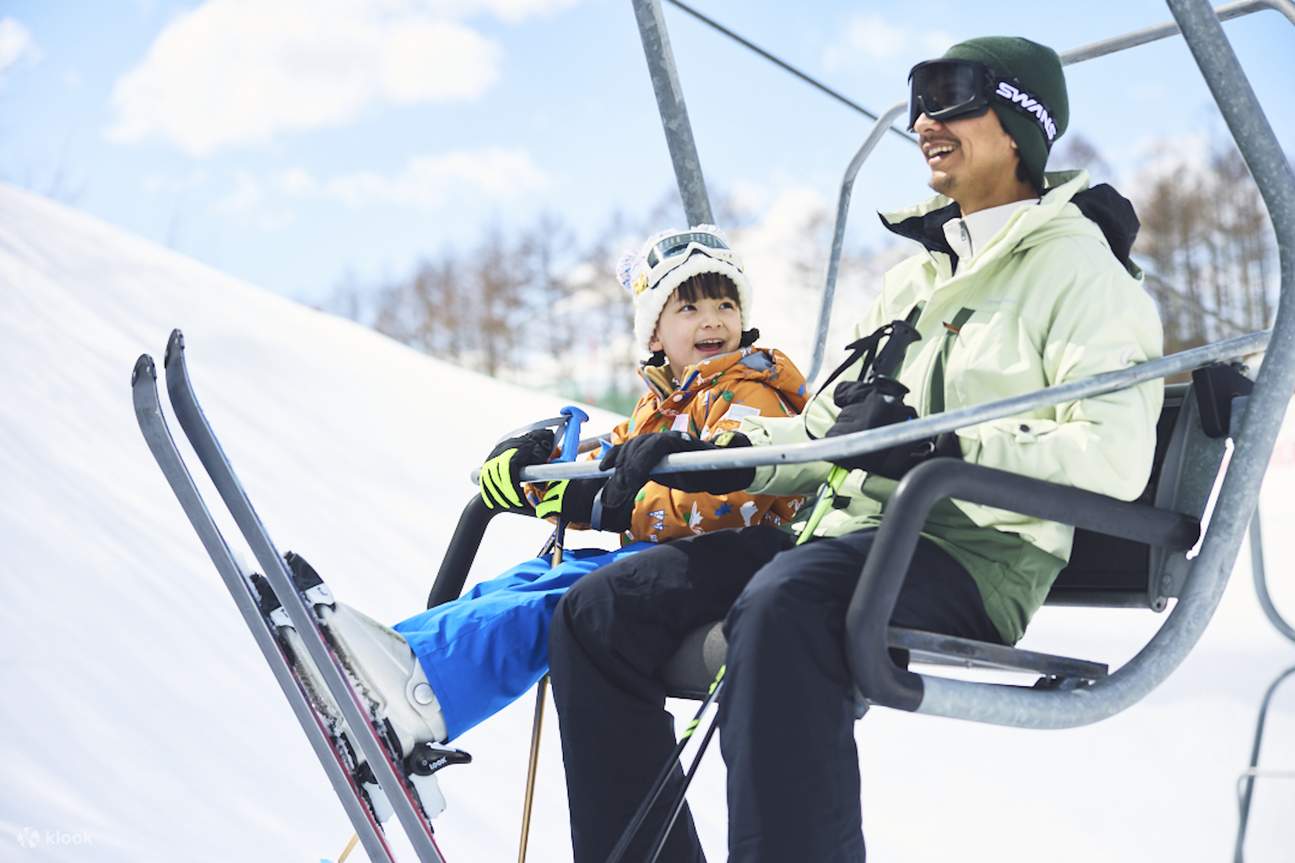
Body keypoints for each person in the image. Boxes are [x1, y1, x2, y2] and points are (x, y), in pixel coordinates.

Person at [546, 36, 1165, 862]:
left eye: (948, 96)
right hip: (834, 539)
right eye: (916, 100)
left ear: (1019, 120)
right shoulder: (911, 280)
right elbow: (823, 432)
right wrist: (709, 450)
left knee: (783, 605)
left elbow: (1111, 457)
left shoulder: (1083, 277)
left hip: (971, 552)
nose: (922, 121)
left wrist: (935, 446)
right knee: (595, 613)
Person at [279, 224, 809, 817]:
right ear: (655, 333)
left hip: (727, 563)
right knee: (522, 582)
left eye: (725, 304)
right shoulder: (662, 402)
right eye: (689, 307)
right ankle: (397, 660)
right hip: (658, 562)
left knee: (556, 597)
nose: (712, 320)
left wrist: (612, 505)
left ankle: (423, 694)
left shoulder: (750, 390)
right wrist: (542, 477)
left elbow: (725, 500)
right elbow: (605, 466)